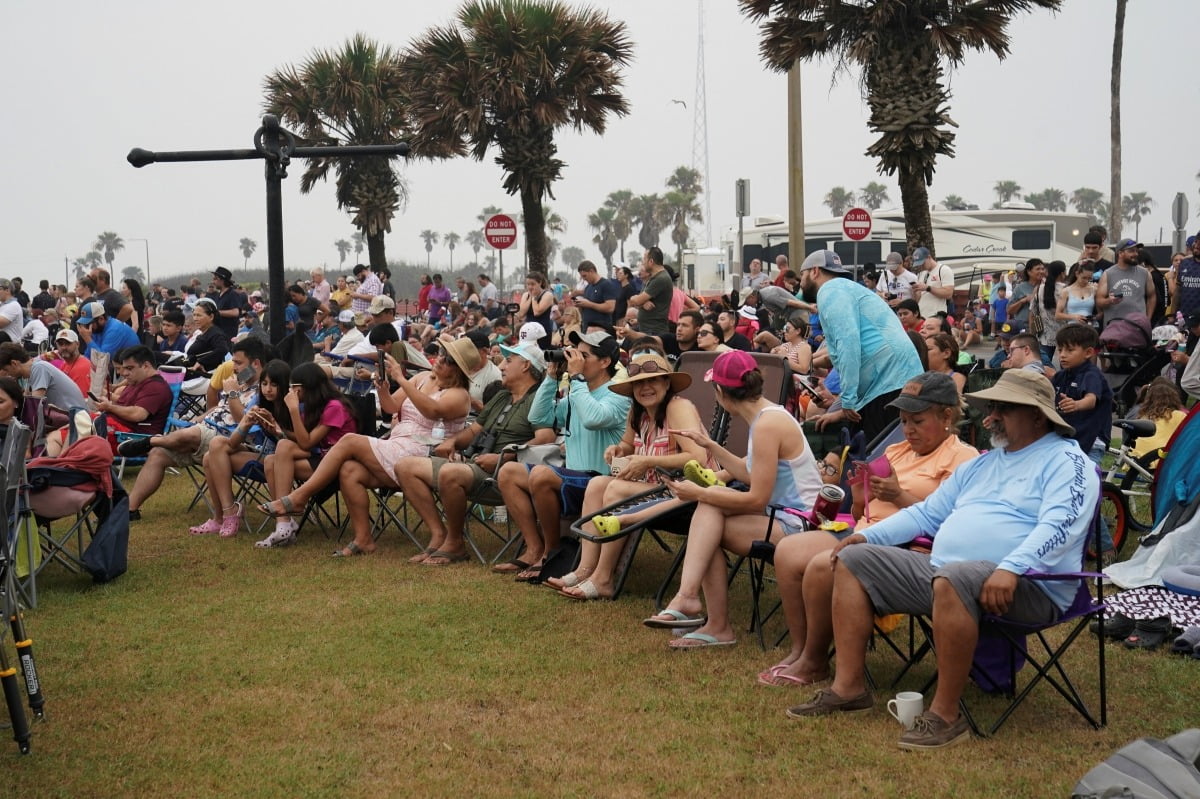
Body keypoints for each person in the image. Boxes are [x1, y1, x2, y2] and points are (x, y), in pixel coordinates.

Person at [787, 368, 1098, 751]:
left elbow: (1061, 524)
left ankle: (944, 715)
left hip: (1030, 584)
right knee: (855, 560)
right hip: (946, 574)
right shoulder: (983, 464)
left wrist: (1011, 567)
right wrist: (866, 535)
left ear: (1037, 415)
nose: (992, 416)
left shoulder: (1069, 460)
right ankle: (848, 687)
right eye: (993, 406)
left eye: (1004, 408)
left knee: (952, 576)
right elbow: (926, 514)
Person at [762, 372, 978, 687]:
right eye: (904, 421)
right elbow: (865, 513)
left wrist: (898, 495)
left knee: (823, 565)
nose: (908, 429)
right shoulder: (898, 450)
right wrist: (860, 500)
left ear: (947, 415)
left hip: (909, 548)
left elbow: (954, 523)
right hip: (865, 531)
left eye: (917, 421)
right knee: (788, 551)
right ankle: (800, 648)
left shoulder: (963, 459)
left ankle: (815, 658)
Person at [639, 350, 822, 647]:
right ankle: (696, 607)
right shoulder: (767, 416)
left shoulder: (766, 426)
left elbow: (756, 499)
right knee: (707, 521)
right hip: (786, 517)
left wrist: (699, 492)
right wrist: (712, 446)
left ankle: (707, 616)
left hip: (800, 526)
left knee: (707, 519)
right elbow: (751, 475)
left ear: (721, 392)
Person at [259, 334, 476, 557]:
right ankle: (364, 539)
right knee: (349, 470)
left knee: (350, 440)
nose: (440, 359)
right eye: (441, 353)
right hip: (398, 445)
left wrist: (400, 379)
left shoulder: (459, 396)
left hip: (427, 454)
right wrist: (383, 389)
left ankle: (299, 497)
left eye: (448, 359)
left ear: (458, 370)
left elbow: (433, 411)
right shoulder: (422, 378)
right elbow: (391, 408)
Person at [549, 349, 709, 600]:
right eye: (638, 383)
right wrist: (618, 449)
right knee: (597, 485)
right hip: (656, 492)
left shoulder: (678, 408)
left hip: (687, 496)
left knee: (615, 488)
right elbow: (627, 444)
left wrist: (647, 461)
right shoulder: (638, 412)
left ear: (667, 383)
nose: (645, 387)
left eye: (652, 380)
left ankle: (603, 579)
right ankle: (585, 569)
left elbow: (698, 458)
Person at [396, 340, 556, 566]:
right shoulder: (501, 396)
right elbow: (474, 430)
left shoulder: (537, 399)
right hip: (476, 465)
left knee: (450, 473)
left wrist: (504, 457)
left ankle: (455, 542)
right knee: (405, 466)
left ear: (526, 366)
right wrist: (452, 442)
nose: (500, 367)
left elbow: (546, 437)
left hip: (504, 474)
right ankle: (438, 536)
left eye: (508, 361)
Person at [495, 331, 630, 582]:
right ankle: (534, 548)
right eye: (573, 352)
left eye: (583, 355)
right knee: (508, 472)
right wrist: (551, 377)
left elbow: (593, 418)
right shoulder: (578, 392)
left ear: (605, 362)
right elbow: (538, 417)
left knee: (541, 475)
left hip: (601, 482)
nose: (575, 358)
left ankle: (551, 552)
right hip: (573, 478)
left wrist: (576, 378)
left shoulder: (618, 395)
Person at [119, 337, 269, 521]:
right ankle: (129, 510)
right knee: (159, 454)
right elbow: (220, 408)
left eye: (238, 363)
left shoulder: (265, 389)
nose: (234, 368)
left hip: (229, 442)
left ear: (255, 363)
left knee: (191, 434)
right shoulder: (242, 382)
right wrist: (197, 418)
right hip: (206, 433)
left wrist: (232, 393)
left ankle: (151, 440)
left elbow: (243, 422)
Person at [799, 250, 923, 442]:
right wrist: (842, 409)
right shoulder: (846, 288)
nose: (800, 282)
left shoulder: (830, 290)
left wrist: (847, 401)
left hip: (888, 383)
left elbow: (848, 343)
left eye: (802, 274)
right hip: (894, 380)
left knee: (875, 460)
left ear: (815, 271)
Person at [253, 362, 357, 547]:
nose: (291, 393)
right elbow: (304, 439)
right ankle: (284, 522)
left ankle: (284, 520)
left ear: (308, 387)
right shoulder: (312, 405)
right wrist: (278, 429)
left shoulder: (334, 406)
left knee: (283, 448)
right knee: (270, 460)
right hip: (319, 456)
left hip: (337, 462)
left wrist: (293, 410)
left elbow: (306, 442)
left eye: (295, 388)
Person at [191, 359, 292, 538]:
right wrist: (245, 424)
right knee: (213, 451)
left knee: (211, 455)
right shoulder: (259, 401)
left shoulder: (292, 405)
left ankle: (227, 515)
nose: (268, 389)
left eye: (274, 385)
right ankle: (224, 514)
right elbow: (233, 443)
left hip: (282, 459)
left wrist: (276, 430)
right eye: (264, 384)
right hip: (261, 453)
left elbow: (296, 442)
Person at [1051, 324, 1112, 463]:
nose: (1062, 355)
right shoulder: (1060, 376)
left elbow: (1090, 399)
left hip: (1092, 442)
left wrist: (1076, 404)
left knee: (1083, 482)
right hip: (1069, 440)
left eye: (1070, 350)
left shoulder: (1092, 375)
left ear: (1088, 352)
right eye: (1060, 350)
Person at [96, 345, 174, 440]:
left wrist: (110, 407)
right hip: (114, 429)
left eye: (129, 368)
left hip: (128, 438)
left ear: (146, 366)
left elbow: (137, 414)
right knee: (79, 417)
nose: (124, 373)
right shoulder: (136, 382)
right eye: (124, 368)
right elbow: (122, 404)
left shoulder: (155, 387)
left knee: (81, 423)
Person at [0, 341, 85, 410]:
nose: (7, 374)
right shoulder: (33, 369)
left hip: (76, 421)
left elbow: (34, 407)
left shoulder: (39, 368)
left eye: (6, 370)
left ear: (14, 363)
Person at [1097, 239, 1154, 326]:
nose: (1136, 254)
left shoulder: (1145, 273)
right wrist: (1109, 301)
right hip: (1114, 327)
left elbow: (1152, 296)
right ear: (1120, 253)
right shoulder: (1108, 274)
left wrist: (1147, 319)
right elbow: (1099, 300)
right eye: (1131, 251)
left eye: (1136, 251)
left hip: (1138, 326)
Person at [629, 247, 673, 337]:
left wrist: (640, 301)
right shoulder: (652, 278)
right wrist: (643, 302)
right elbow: (634, 300)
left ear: (651, 261)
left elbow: (636, 300)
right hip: (647, 329)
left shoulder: (661, 279)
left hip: (654, 331)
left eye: (644, 259)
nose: (642, 262)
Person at [180, 299, 230, 376]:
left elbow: (222, 349)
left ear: (211, 317)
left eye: (199, 315)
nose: (195, 319)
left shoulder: (216, 334)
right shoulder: (202, 333)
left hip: (205, 376)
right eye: (194, 315)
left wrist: (201, 362)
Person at [572, 260, 620, 330]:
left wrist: (589, 304)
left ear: (592, 271)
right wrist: (580, 305)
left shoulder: (606, 284)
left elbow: (610, 308)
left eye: (585, 276)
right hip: (587, 328)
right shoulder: (588, 287)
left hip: (601, 329)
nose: (584, 279)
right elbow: (585, 309)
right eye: (582, 277)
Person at [912, 247, 955, 321]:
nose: (921, 266)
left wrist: (928, 288)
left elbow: (948, 294)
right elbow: (918, 298)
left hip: (936, 317)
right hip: (921, 316)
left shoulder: (944, 270)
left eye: (922, 263)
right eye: (919, 264)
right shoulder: (921, 273)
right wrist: (915, 291)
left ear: (929, 257)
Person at [0, 279, 27, 345]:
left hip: (10, 346)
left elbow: (1, 323)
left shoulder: (13, 305)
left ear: (7, 290)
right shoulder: (3, 305)